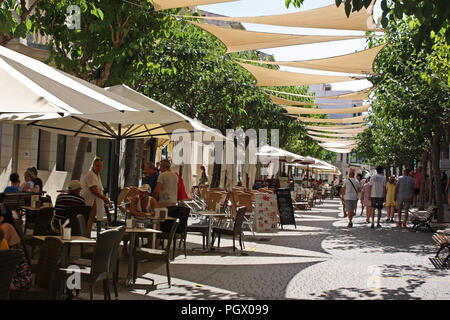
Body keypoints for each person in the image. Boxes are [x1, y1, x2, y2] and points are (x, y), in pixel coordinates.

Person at [0, 204, 32, 290]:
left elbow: (1, 249)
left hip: (18, 278)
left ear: (1, 219)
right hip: (11, 274)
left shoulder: (5, 227)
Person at [81, 157, 110, 235]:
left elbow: (99, 189)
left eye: (100, 166)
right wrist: (104, 198)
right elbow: (93, 190)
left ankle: (89, 236)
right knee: (89, 221)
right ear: (93, 165)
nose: (99, 168)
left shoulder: (97, 175)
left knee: (91, 220)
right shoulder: (91, 174)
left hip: (96, 201)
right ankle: (87, 237)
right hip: (91, 201)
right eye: (97, 166)